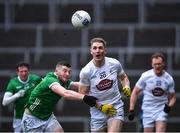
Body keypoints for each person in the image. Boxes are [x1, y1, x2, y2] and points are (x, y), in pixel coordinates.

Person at [21, 61, 99, 132]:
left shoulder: (63, 81)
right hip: (32, 119)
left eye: (69, 72)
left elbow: (77, 85)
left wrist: (96, 84)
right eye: (64, 71)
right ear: (56, 71)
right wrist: (85, 98)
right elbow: (65, 93)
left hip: (47, 116)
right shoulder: (50, 80)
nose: (67, 74)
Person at [79, 37, 131, 132]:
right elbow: (82, 94)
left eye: (100, 48)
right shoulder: (86, 71)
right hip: (97, 111)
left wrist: (126, 86)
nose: (97, 51)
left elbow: (123, 78)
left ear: (105, 50)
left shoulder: (114, 63)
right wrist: (100, 107)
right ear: (91, 51)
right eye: (94, 48)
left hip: (115, 106)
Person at [128, 52, 176, 132]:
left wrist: (169, 106)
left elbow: (173, 97)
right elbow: (135, 92)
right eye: (155, 64)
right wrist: (131, 109)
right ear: (152, 64)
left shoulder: (169, 79)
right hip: (147, 110)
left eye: (159, 64)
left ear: (163, 64)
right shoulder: (145, 76)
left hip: (161, 110)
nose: (157, 66)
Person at [2, 61, 42, 132]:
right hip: (19, 116)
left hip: (33, 115)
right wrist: (16, 95)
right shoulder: (13, 83)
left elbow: (46, 85)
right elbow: (4, 102)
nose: (24, 73)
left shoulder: (36, 79)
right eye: (21, 71)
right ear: (17, 72)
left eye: (25, 71)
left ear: (29, 71)